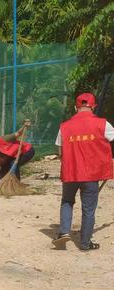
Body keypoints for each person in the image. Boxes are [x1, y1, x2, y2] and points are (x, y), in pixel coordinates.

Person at [52, 93, 114, 250]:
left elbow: (60, 151)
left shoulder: (64, 126)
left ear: (75, 107)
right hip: (91, 175)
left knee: (67, 201)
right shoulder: (103, 124)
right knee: (88, 209)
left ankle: (64, 232)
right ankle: (85, 243)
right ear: (93, 107)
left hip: (71, 173)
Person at [0, 120, 34, 187]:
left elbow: (18, 133)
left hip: (27, 151)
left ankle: (16, 184)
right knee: (3, 167)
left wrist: (24, 126)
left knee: (14, 163)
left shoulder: (4, 140)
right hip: (14, 156)